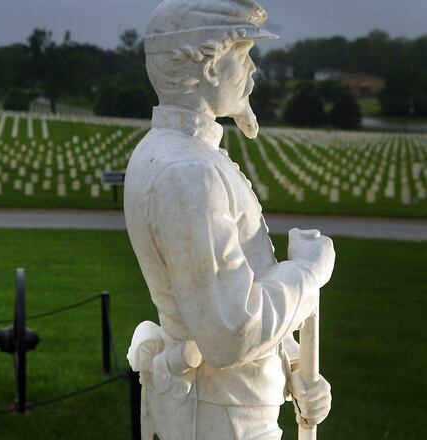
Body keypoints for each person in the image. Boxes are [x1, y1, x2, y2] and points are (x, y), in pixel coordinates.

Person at [124, 1, 334, 439]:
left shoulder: (179, 153)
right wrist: (307, 273)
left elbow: (225, 300)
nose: (253, 69)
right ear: (212, 68)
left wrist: (294, 366)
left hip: (235, 407)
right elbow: (231, 332)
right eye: (243, 54)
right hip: (224, 421)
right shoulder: (189, 173)